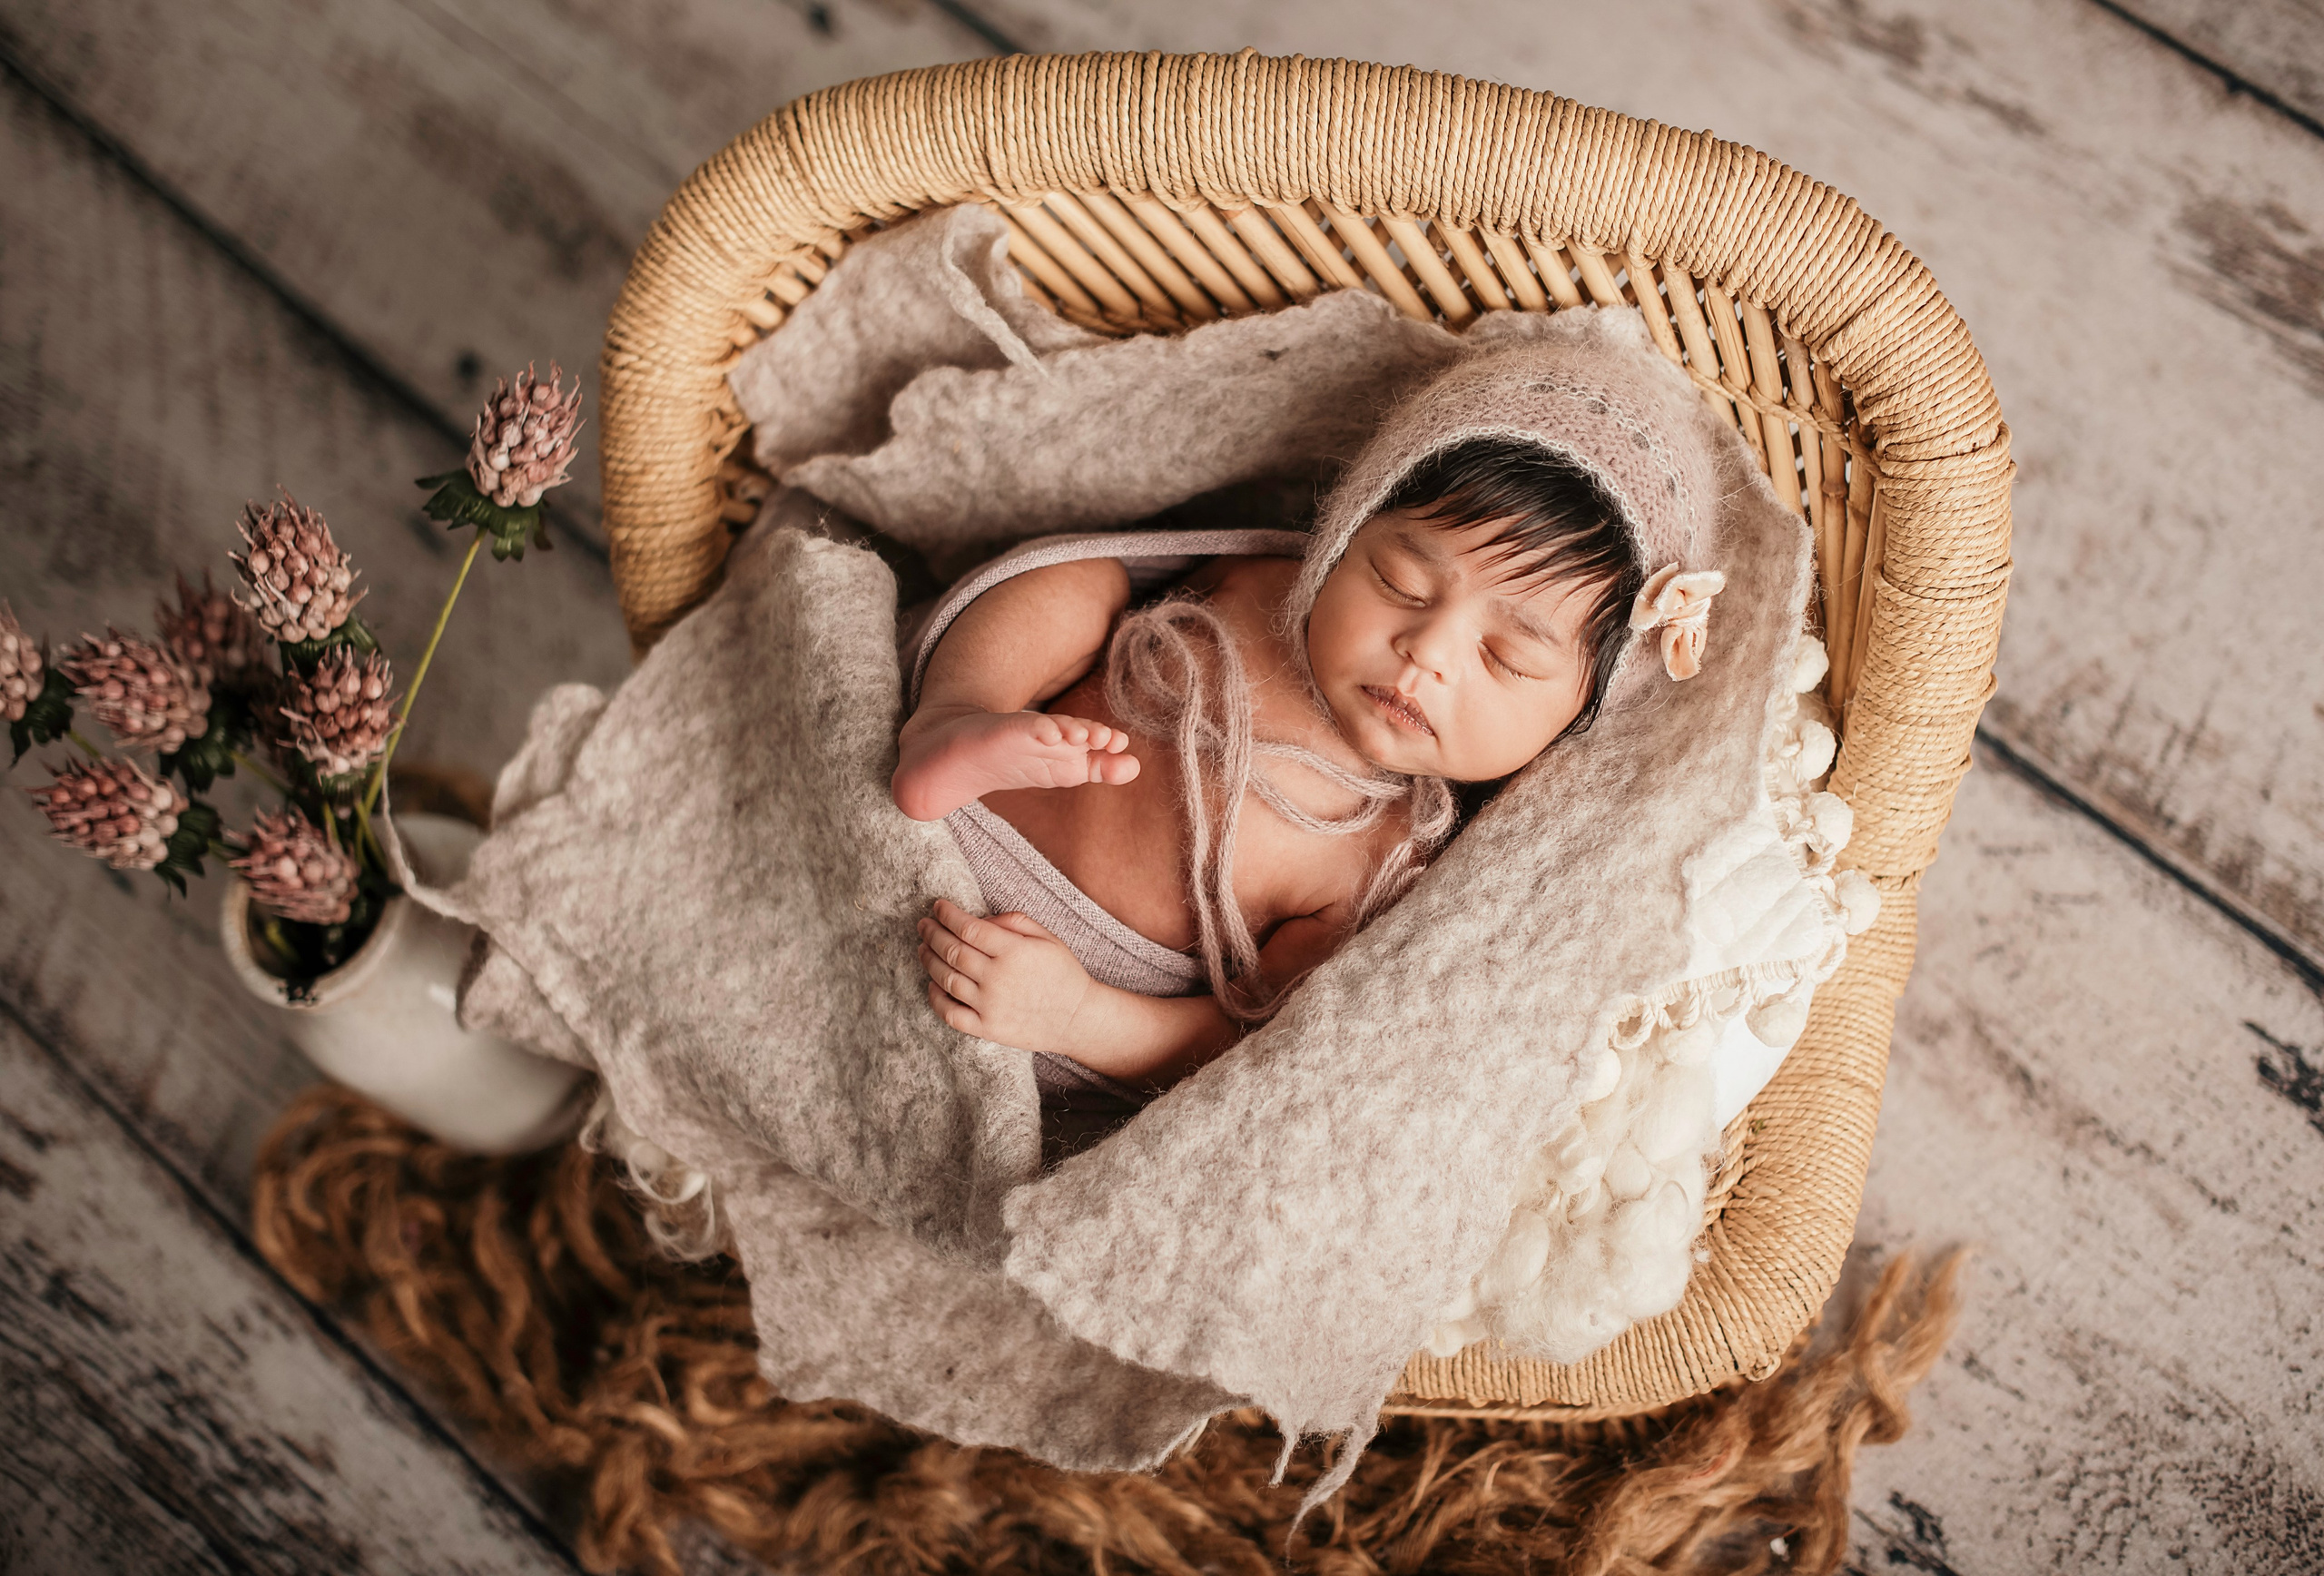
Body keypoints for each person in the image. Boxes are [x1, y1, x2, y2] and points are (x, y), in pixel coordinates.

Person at [892, 433, 1663, 1095]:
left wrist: (1078, 1017)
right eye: (1401, 582)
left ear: (1574, 722)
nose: (1426, 651)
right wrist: (983, 709)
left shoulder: (1391, 856)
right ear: (1341, 541)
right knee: (1081, 585)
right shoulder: (1261, 585)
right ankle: (955, 715)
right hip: (955, 800)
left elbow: (1244, 1041)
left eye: (1506, 657)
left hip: (1041, 971)